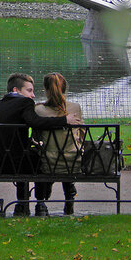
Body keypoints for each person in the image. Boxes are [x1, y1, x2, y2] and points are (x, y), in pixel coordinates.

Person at [0, 73, 81, 217]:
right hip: (16, 163)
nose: (32, 95)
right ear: (16, 90)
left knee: (24, 155)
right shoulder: (24, 103)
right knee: (39, 159)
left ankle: (22, 204)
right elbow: (35, 122)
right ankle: (40, 203)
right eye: (29, 90)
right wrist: (64, 120)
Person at [33, 72, 84, 216]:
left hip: (48, 162)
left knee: (42, 156)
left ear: (46, 90)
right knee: (67, 152)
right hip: (73, 161)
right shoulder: (75, 108)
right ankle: (69, 197)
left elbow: (35, 137)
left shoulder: (38, 110)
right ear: (65, 88)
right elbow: (81, 134)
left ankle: (41, 202)